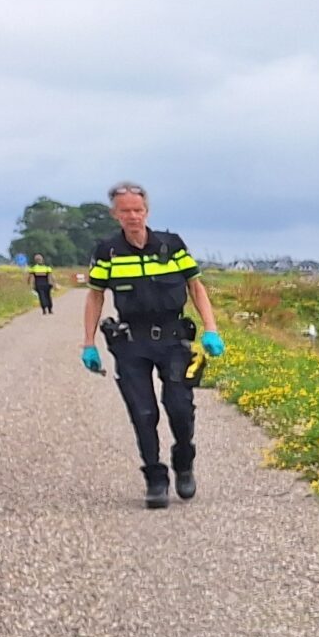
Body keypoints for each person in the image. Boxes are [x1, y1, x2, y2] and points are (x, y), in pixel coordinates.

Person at [81, 181, 223, 508]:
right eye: (125, 211)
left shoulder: (171, 245)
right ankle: (155, 479)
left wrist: (211, 329)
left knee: (179, 409)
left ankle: (184, 460)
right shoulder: (108, 252)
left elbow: (195, 287)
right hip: (132, 342)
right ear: (115, 214)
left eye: (138, 210)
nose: (133, 216)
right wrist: (88, 343)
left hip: (174, 340)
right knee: (143, 413)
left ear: (147, 211)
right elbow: (95, 296)